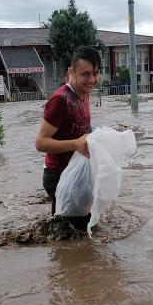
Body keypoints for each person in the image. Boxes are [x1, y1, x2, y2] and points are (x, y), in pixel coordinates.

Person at [35, 46, 101, 230]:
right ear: (71, 72)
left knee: (74, 230)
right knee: (82, 232)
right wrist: (75, 144)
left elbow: (82, 130)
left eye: (95, 73)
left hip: (77, 174)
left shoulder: (84, 93)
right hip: (58, 176)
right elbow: (40, 143)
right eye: (85, 74)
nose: (92, 80)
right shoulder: (61, 100)